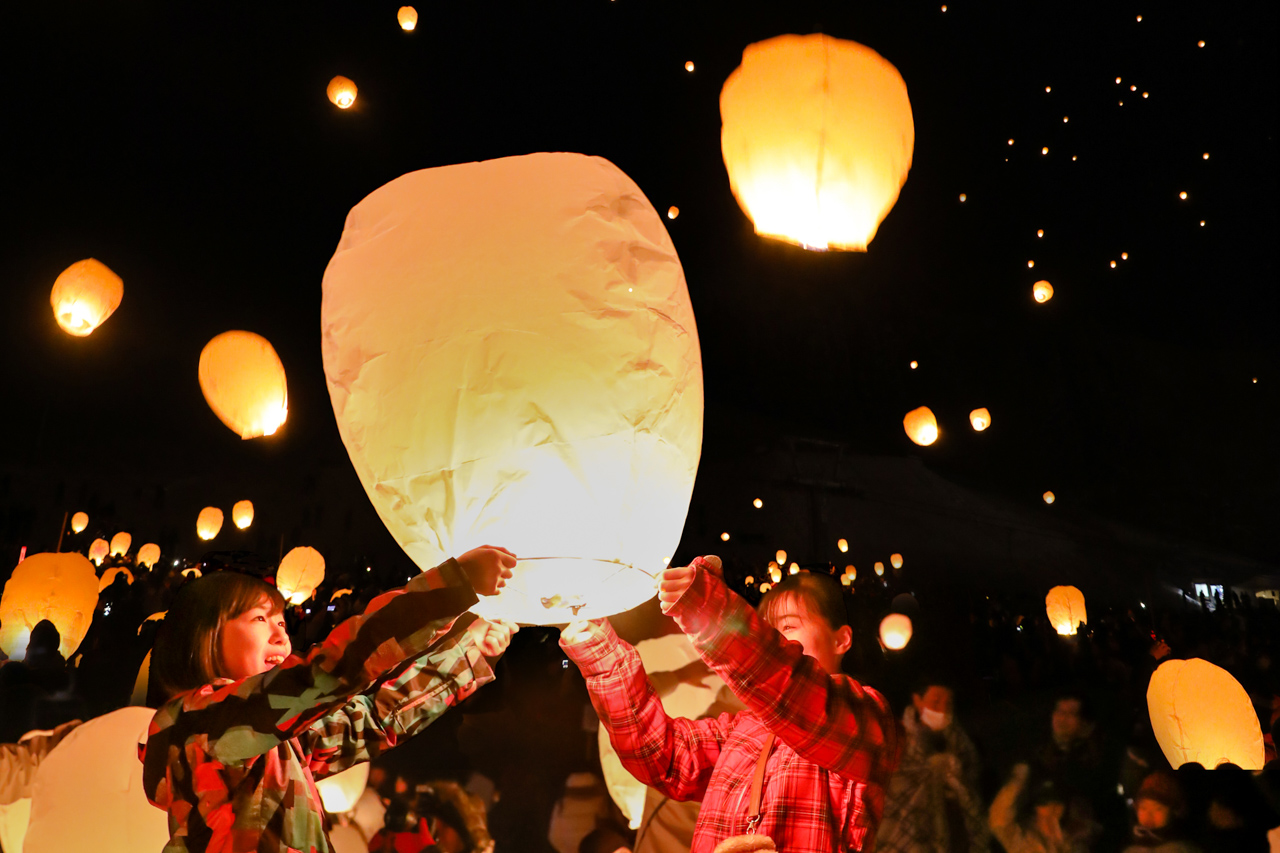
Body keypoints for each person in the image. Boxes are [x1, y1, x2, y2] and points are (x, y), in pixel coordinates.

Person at [141, 546, 519, 853]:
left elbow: (375, 719)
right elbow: (328, 674)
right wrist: (450, 588)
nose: (279, 635)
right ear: (204, 635)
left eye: (282, 624)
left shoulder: (282, 742)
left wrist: (468, 651)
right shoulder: (193, 723)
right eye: (259, 619)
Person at [560, 557, 900, 853]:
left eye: (789, 626)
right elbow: (660, 754)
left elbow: (791, 687)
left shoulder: (867, 718)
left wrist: (710, 611)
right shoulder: (741, 728)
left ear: (842, 638)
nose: (778, 640)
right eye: (767, 630)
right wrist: (601, 654)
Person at [875, 677, 988, 853]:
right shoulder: (897, 741)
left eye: (948, 703)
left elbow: (973, 794)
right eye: (936, 702)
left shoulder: (961, 745)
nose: (943, 709)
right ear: (917, 700)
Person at [989, 764, 1094, 853]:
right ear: (1036, 808)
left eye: (1056, 804)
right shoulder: (1023, 839)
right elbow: (998, 819)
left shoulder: (1069, 836)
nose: (1052, 809)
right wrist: (1016, 783)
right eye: (1045, 803)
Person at [1123, 770, 1198, 852]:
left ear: (1174, 811)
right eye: (1143, 808)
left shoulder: (1183, 848)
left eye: (1158, 809)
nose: (1149, 814)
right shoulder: (1127, 844)